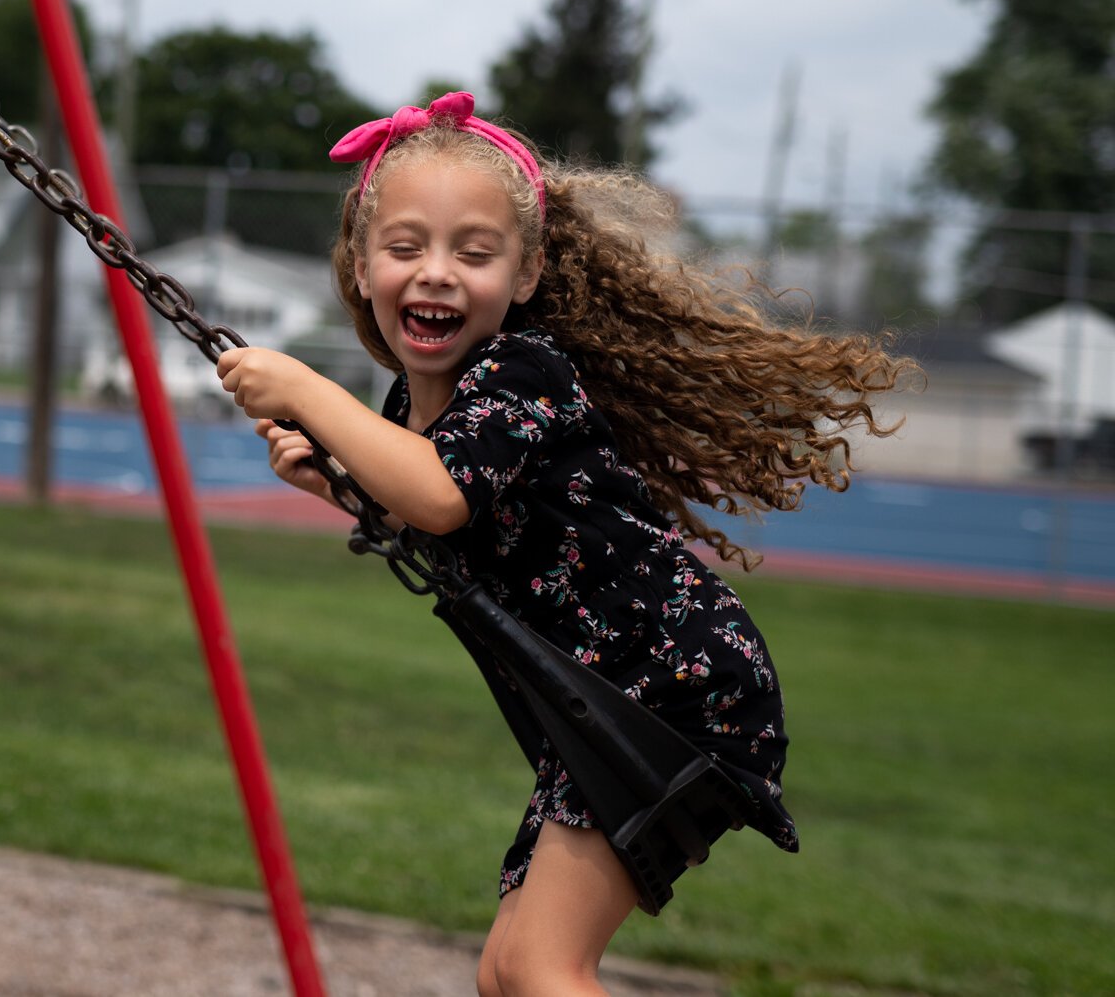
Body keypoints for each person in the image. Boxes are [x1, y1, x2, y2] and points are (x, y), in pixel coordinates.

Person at [215, 91, 908, 997]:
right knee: (506, 968)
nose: (436, 274)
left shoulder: (519, 372)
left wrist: (304, 387)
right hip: (599, 690)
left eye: (474, 253)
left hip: (666, 682)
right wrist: (335, 481)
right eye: (405, 246)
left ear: (528, 271)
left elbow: (444, 493)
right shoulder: (408, 411)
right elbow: (433, 520)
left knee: (546, 966)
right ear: (360, 261)